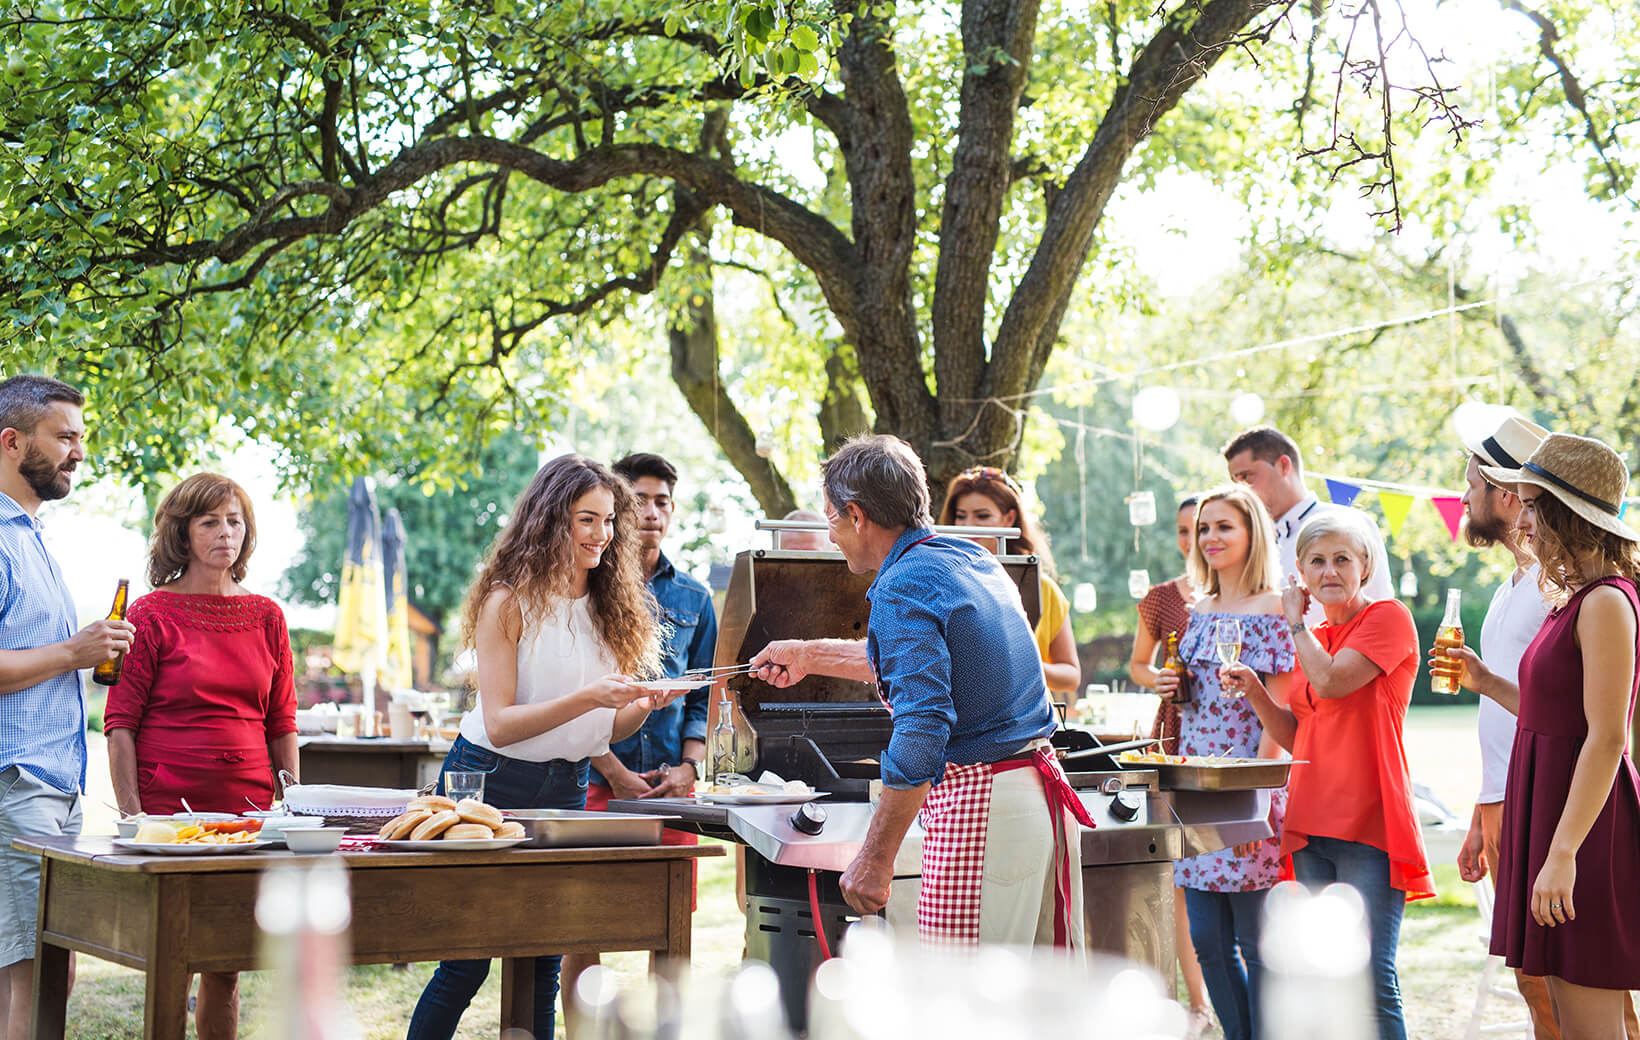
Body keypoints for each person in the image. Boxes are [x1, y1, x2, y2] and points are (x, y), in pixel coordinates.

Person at [750, 435, 1092, 946]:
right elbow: (920, 662)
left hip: (983, 809)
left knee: (961, 1006)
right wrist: (806, 653)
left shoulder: (903, 583)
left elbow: (924, 723)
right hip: (1034, 803)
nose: (832, 535)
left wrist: (875, 857)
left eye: (832, 519)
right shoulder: (967, 559)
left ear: (858, 515)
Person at [406, 454, 679, 1040]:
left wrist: (645, 703)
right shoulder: (508, 602)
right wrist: (590, 697)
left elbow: (608, 730)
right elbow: (501, 723)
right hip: (485, 779)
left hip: (566, 784)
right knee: (467, 959)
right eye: (586, 520)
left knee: (545, 957)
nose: (602, 536)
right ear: (550, 519)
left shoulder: (615, 606)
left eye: (609, 521)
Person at [1442, 433, 1640, 1040]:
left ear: (1564, 512)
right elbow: (1558, 713)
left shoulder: (1605, 601)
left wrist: (1561, 854)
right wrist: (1487, 681)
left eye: (1531, 502)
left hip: (1580, 829)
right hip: (1548, 817)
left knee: (1589, 1022)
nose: (1521, 515)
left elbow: (1607, 738)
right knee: (1561, 1007)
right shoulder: (1569, 599)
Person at [100, 473, 298, 1040]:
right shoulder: (151, 613)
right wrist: (133, 814)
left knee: (227, 960)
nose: (224, 532)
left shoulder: (267, 615)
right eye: (209, 521)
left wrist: (292, 805)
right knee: (172, 958)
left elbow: (281, 722)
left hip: (248, 811)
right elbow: (120, 726)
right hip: (167, 812)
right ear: (182, 533)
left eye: (234, 521)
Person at [1223, 510, 1432, 1040]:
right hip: (1311, 819)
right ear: (1301, 570)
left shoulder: (1388, 618)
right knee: (1326, 978)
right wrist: (1254, 690)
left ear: (1365, 565)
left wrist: (1293, 622)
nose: (1330, 571)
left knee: (1369, 975)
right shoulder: (1315, 635)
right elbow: (1302, 736)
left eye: (1343, 559)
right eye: (1317, 561)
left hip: (1369, 821)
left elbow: (1334, 683)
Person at [0, 374, 134, 1040]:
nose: (79, 452)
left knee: (53, 970)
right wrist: (73, 653)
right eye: (66, 437)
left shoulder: (33, 535)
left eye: (82, 438)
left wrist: (89, 651)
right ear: (12, 441)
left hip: (54, 787)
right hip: (15, 785)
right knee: (24, 975)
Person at [563, 453, 717, 1000]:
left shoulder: (697, 598)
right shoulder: (588, 586)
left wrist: (690, 767)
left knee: (671, 927)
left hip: (669, 790)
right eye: (640, 500)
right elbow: (574, 692)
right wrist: (613, 768)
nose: (651, 512)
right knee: (582, 923)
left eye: (663, 502)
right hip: (596, 783)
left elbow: (702, 697)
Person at [1450, 411, 1573, 1040]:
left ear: (1505, 493)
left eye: (1471, 483)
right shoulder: (1508, 589)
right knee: (1530, 975)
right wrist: (1480, 816)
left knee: (1565, 978)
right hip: (1504, 800)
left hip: (1548, 797)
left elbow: (1568, 707)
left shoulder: (1561, 590)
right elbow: (1497, 719)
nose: (1463, 497)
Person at [1154, 485, 1293, 1040]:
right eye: (1204, 528)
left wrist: (1260, 802)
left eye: (1224, 527)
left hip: (1249, 787)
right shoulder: (1200, 611)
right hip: (1197, 786)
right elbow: (1197, 703)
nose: (1210, 538)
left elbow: (1280, 717)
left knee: (1256, 944)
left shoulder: (1277, 609)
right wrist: (1176, 687)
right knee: (1208, 941)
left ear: (1252, 533)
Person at [1127, 495, 1211, 1037]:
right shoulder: (1161, 598)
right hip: (1173, 732)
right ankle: (1198, 1002)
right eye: (1184, 531)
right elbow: (1137, 663)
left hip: (1227, 737)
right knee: (1179, 869)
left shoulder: (1240, 595)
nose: (1191, 541)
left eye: (1200, 528)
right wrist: (1152, 677)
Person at [1221, 426, 1393, 622]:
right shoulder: (1252, 540)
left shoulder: (1348, 522)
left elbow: (1382, 609)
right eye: (1235, 482)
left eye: (1246, 477)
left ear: (1284, 466)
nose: (1240, 491)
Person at [937, 466, 1081, 696]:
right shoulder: (937, 583)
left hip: (1029, 724)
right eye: (960, 516)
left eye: (982, 516)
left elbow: (1071, 676)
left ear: (1009, 519)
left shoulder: (1042, 589)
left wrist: (1023, 663)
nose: (967, 527)